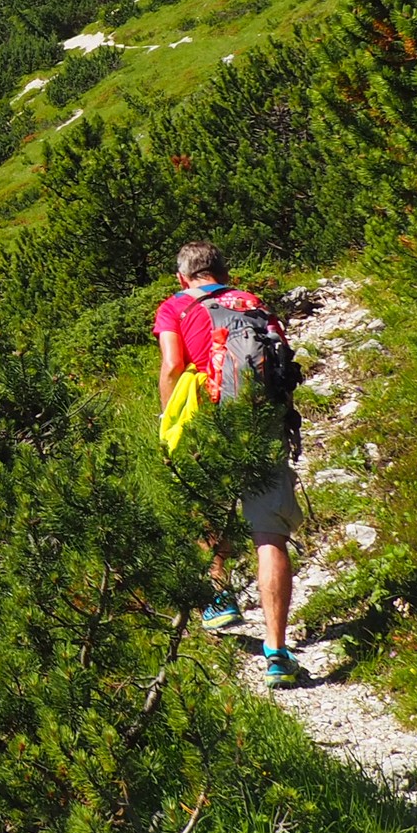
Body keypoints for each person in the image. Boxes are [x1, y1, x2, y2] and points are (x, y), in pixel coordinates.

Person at [156, 241, 307, 688]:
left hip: (210, 416)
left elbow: (171, 366)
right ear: (224, 271)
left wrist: (169, 426)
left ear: (183, 278)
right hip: (263, 421)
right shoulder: (252, 302)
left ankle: (219, 596)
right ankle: (277, 653)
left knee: (207, 503)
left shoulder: (175, 307)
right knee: (269, 534)